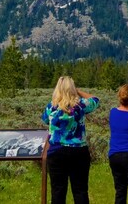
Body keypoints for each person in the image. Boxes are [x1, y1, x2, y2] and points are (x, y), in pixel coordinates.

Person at [42, 76, 100, 204]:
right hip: (78, 151)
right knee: (80, 191)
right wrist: (78, 92)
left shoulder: (51, 107)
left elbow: (45, 119)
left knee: (58, 191)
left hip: (57, 151)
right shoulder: (80, 105)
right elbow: (95, 100)